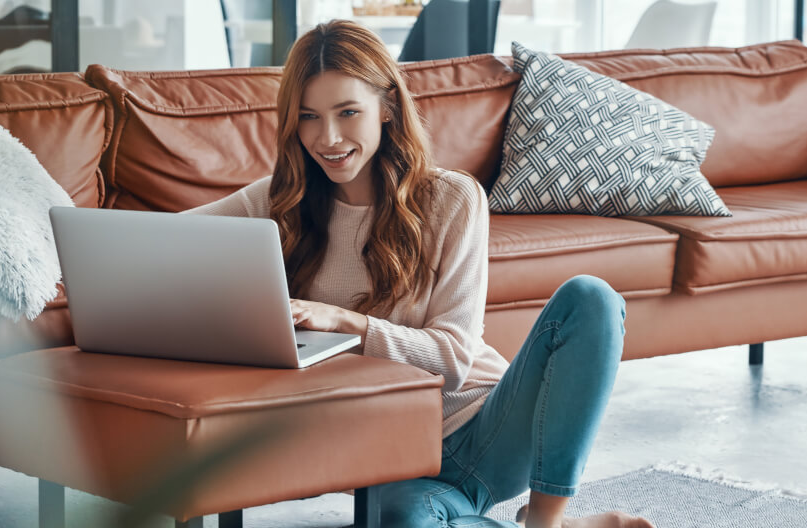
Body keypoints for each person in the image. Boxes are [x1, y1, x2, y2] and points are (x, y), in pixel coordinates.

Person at [182, 19, 654, 528]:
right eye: (309, 117)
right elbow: (160, 241)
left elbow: (452, 358)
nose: (329, 137)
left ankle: (548, 520)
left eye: (348, 112)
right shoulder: (277, 200)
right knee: (406, 522)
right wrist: (79, 222)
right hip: (393, 461)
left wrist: (349, 323)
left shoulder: (452, 198)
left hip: (487, 426)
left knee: (592, 299)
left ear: (386, 107)